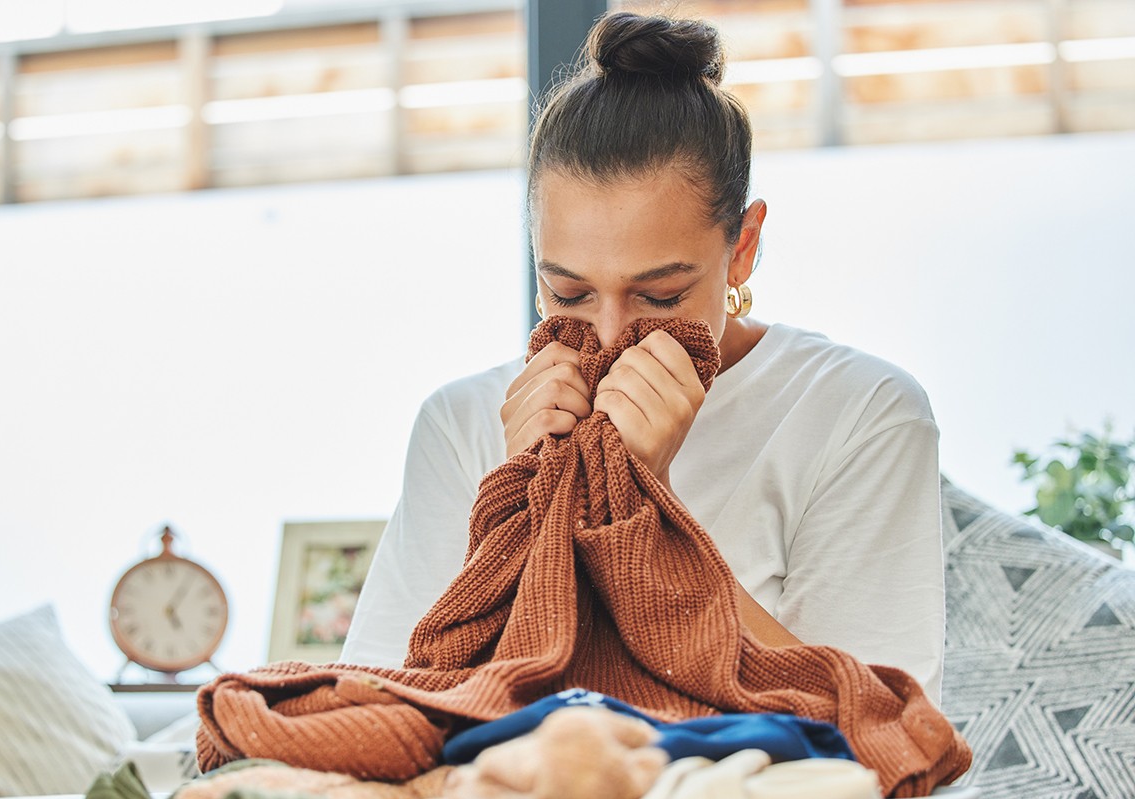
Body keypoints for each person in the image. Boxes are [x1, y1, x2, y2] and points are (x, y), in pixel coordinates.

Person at [341, 10, 946, 704]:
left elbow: (885, 725)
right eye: (569, 292)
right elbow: (383, 708)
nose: (607, 336)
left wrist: (649, 509)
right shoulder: (461, 422)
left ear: (742, 249)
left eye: (659, 296)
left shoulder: (858, 412)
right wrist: (524, 507)